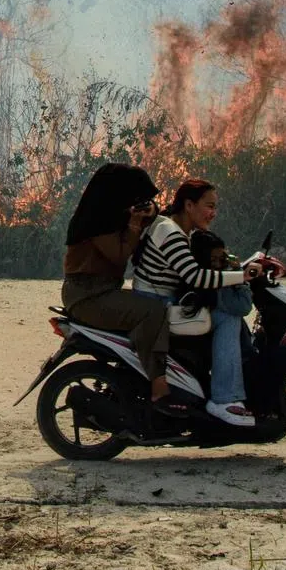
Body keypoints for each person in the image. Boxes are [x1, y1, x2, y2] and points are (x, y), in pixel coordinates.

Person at [131, 179, 262, 427]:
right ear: (189, 205)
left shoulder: (179, 230)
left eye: (215, 207)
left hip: (164, 300)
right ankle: (224, 399)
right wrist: (243, 276)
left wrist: (236, 266)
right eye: (209, 206)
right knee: (227, 317)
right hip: (157, 304)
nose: (213, 213)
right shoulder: (170, 232)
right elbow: (196, 277)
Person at [61, 163, 176, 410]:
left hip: (102, 291)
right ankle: (158, 384)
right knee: (152, 311)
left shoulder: (112, 216)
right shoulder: (95, 222)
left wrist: (150, 210)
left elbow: (152, 213)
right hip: (89, 296)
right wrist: (135, 223)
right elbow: (120, 255)